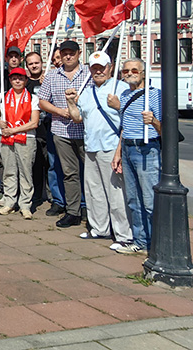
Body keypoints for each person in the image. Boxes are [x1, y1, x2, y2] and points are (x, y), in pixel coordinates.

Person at [65, 52, 131, 251]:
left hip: (111, 147)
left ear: (110, 67)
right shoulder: (86, 91)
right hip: (91, 147)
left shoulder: (121, 88)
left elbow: (130, 118)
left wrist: (118, 106)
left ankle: (123, 235)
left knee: (116, 194)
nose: (98, 71)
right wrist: (70, 102)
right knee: (94, 191)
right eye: (94, 67)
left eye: (102, 67)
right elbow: (78, 118)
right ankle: (99, 228)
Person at [38, 40, 90, 228]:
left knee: (90, 172)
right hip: (61, 130)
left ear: (79, 53)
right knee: (69, 173)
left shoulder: (89, 74)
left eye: (72, 53)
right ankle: (73, 211)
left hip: (86, 131)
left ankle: (90, 209)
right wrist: (60, 111)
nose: (68, 56)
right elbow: (42, 101)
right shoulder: (53, 76)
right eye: (65, 53)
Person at [113, 59, 162, 255]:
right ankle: (141, 241)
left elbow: (166, 129)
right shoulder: (124, 94)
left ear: (143, 73)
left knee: (150, 200)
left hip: (147, 149)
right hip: (128, 147)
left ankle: (157, 245)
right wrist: (118, 152)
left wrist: (154, 121)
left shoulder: (155, 95)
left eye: (134, 70)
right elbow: (124, 127)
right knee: (134, 199)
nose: (130, 73)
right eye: (126, 70)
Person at [0, 67, 40, 219]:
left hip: (25, 139)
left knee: (26, 172)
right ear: (10, 80)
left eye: (20, 78)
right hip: (5, 138)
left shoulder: (33, 98)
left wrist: (13, 130)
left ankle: (25, 205)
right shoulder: (3, 96)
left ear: (26, 80)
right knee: (9, 170)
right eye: (14, 78)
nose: (17, 81)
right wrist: (0, 123)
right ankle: (9, 201)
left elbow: (34, 123)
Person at [25, 51, 56, 212]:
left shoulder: (49, 80)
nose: (34, 66)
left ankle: (53, 197)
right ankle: (36, 195)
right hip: (33, 130)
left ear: (42, 63)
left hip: (49, 127)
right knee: (35, 165)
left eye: (36, 62)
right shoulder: (25, 83)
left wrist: (47, 83)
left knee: (51, 164)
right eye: (31, 63)